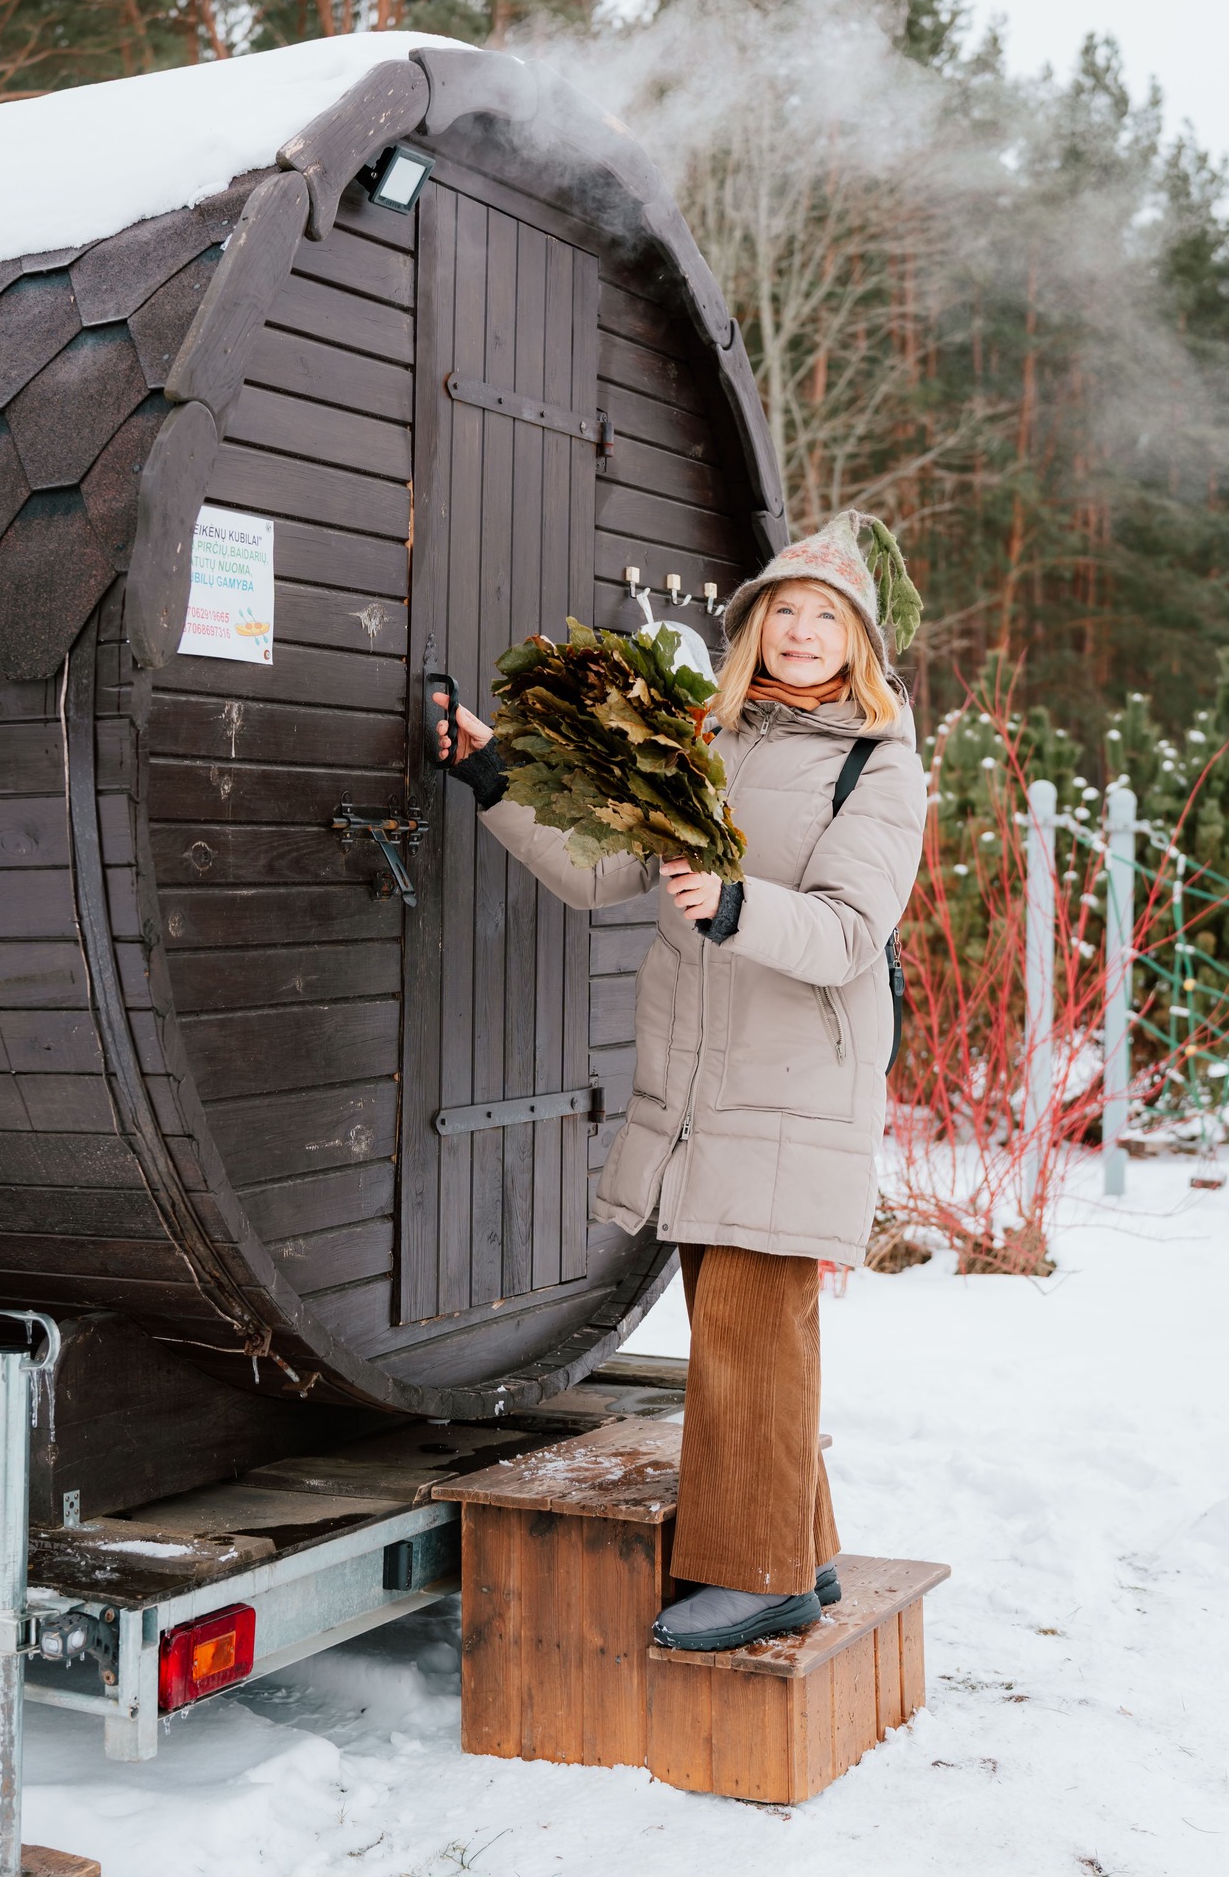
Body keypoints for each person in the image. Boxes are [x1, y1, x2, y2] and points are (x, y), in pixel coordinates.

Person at [435, 510, 927, 1653]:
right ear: (754, 629)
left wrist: (737, 901)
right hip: (704, 1073)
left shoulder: (877, 762)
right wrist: (490, 772)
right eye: (785, 613)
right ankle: (799, 1546)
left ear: (859, 644)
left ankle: (756, 1575)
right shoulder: (709, 737)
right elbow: (607, 867)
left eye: (827, 618)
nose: (803, 633)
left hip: (795, 1075)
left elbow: (853, 932)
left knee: (754, 1325)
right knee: (742, 1314)